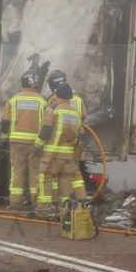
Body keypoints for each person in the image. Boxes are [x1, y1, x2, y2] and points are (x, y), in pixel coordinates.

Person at [35, 72, 88, 219]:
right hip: (68, 154)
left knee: (45, 178)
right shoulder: (75, 114)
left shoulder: (54, 109)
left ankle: (44, 208)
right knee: (65, 180)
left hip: (52, 153)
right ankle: (64, 209)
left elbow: (46, 129)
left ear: (58, 95)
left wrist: (38, 146)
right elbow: (80, 133)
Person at [0, 69, 47, 209]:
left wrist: (3, 139)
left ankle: (15, 203)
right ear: (36, 85)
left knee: (17, 172)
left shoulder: (13, 100)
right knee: (35, 174)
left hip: (16, 143)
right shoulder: (43, 101)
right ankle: (35, 203)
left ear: (22, 83)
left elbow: (5, 121)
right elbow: (48, 123)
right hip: (35, 144)